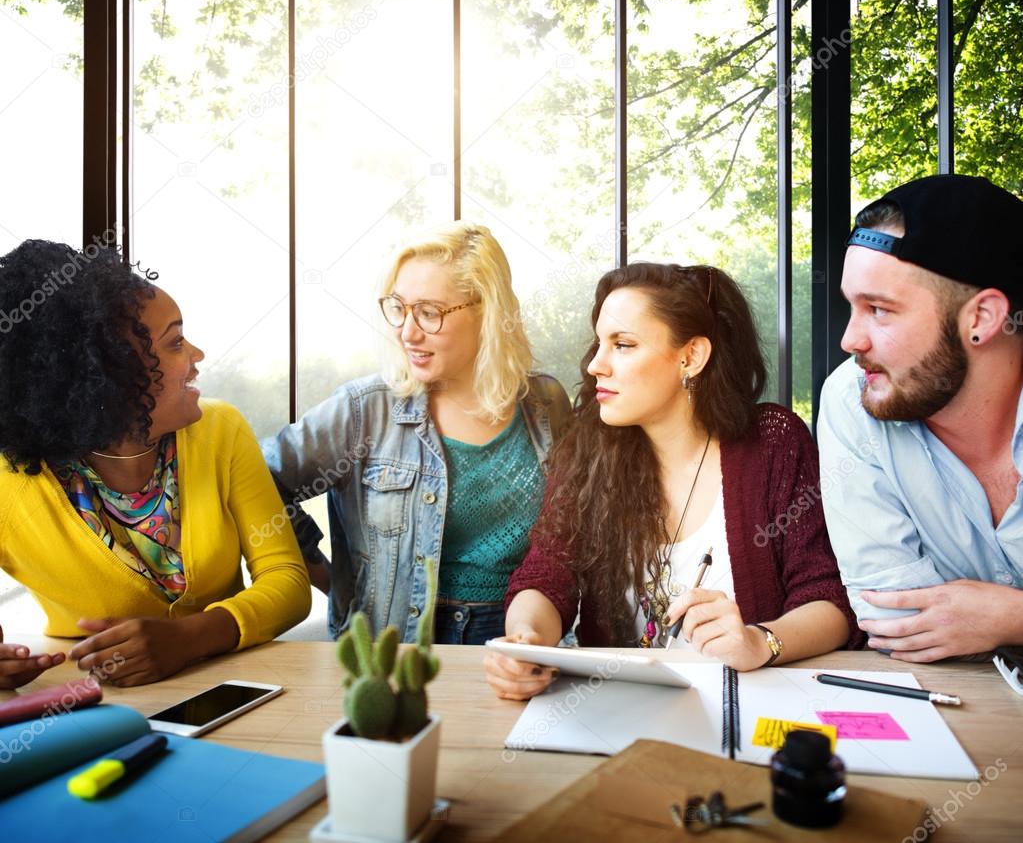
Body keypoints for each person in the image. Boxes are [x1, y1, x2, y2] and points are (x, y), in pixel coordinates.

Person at [484, 262, 858, 699]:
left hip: (745, 707)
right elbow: (547, 576)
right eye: (599, 343)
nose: (595, 366)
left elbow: (829, 600)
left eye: (622, 345)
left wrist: (761, 641)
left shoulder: (774, 443)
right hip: (615, 709)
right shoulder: (588, 449)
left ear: (691, 356)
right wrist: (527, 641)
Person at [0, 240, 311, 689]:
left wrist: (189, 638)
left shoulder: (221, 431)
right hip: (93, 705)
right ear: (109, 375)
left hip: (230, 692)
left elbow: (287, 580)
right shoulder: (12, 483)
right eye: (176, 342)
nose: (197, 356)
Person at [263, 221, 571, 645]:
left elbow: (570, 532)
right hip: (397, 647)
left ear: (488, 311)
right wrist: (328, 578)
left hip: (521, 635)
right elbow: (259, 482)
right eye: (398, 307)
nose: (407, 331)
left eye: (429, 312)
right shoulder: (363, 410)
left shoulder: (546, 403)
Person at [817, 174, 1023, 663]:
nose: (850, 340)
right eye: (852, 306)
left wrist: (1010, 617)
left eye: (880, 310)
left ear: (982, 318)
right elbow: (894, 621)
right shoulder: (853, 400)